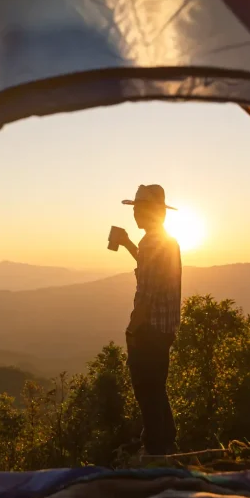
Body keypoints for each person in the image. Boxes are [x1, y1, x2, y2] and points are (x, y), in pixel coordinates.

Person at [109, 184, 182, 455]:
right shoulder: (164, 241)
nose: (135, 214)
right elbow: (150, 269)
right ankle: (166, 440)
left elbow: (147, 293)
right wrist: (128, 242)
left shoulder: (151, 243)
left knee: (146, 390)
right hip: (165, 329)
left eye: (139, 209)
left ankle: (155, 449)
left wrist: (132, 329)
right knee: (156, 387)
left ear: (152, 212)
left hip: (149, 329)